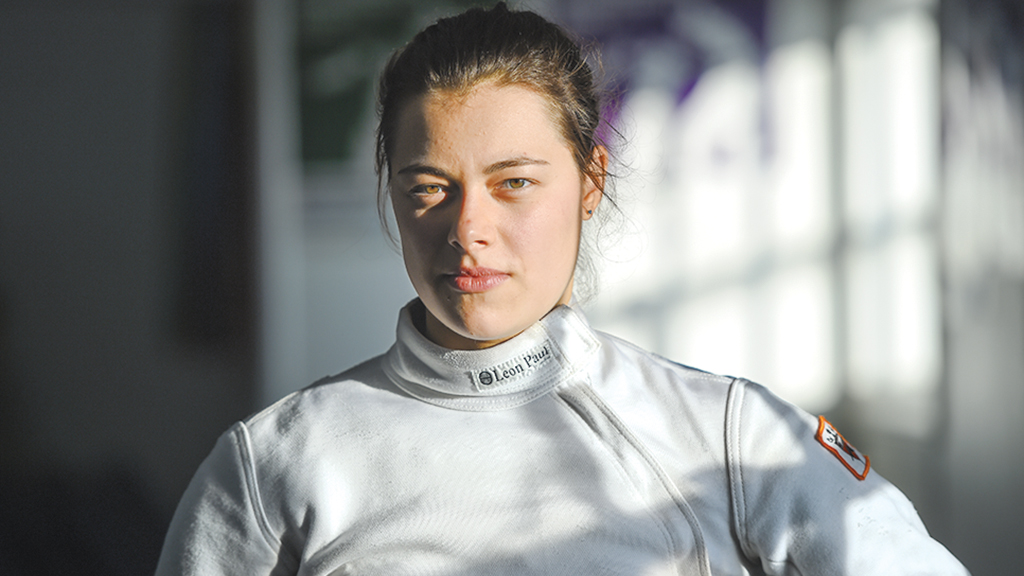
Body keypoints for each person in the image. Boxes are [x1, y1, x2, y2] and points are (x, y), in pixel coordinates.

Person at [155, 4, 969, 575]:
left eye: (513, 183)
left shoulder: (724, 434)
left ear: (589, 182)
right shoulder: (271, 465)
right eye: (428, 187)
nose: (468, 229)